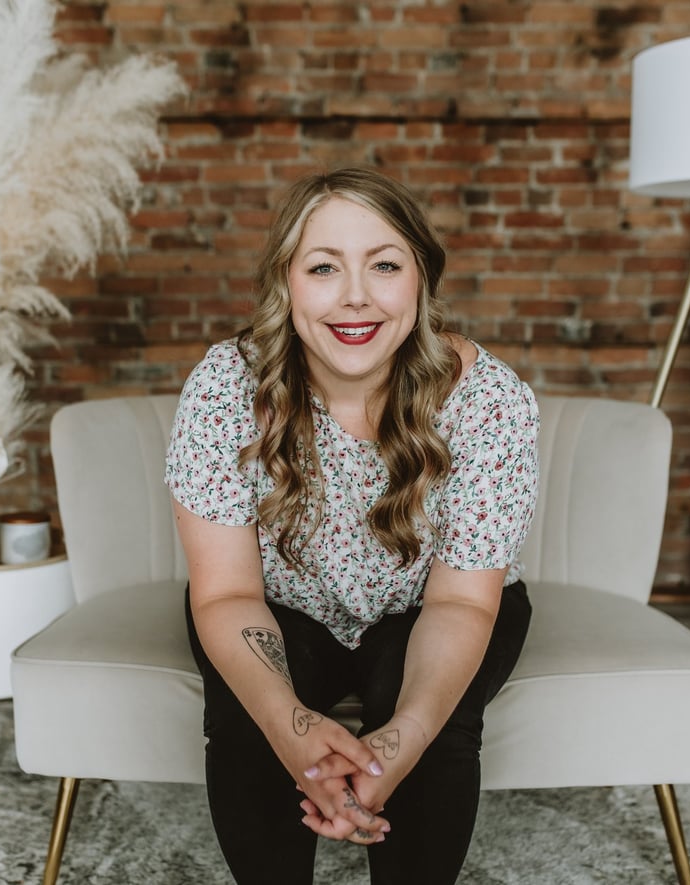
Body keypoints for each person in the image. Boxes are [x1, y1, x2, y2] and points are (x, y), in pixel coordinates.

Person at [165, 166, 539, 885]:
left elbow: (461, 601)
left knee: (423, 698)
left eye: (385, 265)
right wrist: (292, 726)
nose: (356, 296)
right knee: (249, 709)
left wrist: (398, 743)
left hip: (437, 603)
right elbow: (224, 597)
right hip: (276, 601)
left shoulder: (488, 400)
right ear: (287, 282)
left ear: (421, 281)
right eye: (325, 267)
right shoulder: (224, 387)